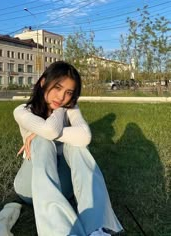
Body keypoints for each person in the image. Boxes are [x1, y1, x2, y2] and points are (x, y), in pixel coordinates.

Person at [13, 61, 123, 236]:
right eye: (57, 87)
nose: (62, 97)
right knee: (42, 139)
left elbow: (85, 136)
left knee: (77, 147)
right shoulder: (22, 111)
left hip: (65, 185)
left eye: (68, 93)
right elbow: (49, 130)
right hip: (31, 186)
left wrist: (60, 112)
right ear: (43, 83)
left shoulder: (69, 108)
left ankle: (96, 228)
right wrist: (44, 132)